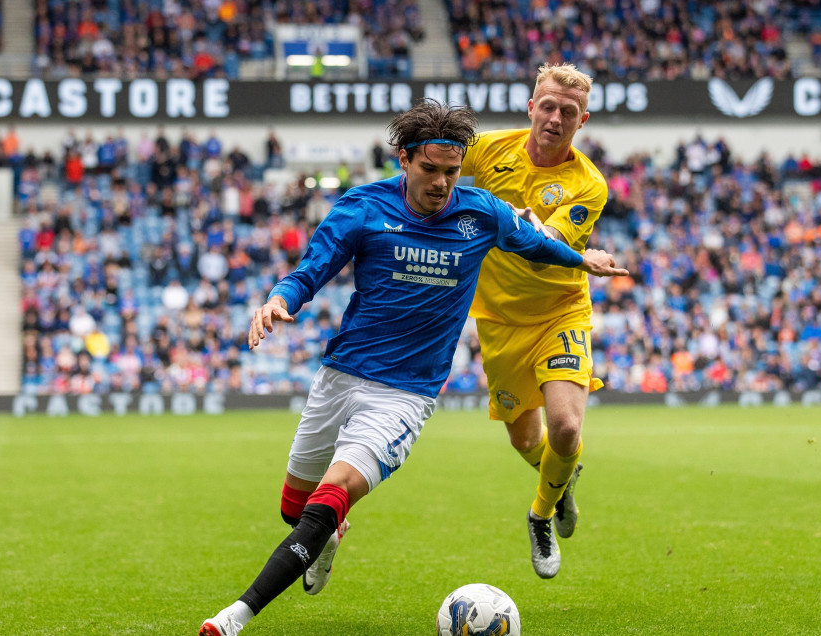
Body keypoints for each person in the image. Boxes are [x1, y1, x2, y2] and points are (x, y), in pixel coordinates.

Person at [197, 99, 627, 636]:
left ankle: (233, 618)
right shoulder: (361, 208)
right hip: (341, 375)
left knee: (331, 497)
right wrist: (278, 299)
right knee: (296, 510)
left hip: (405, 395)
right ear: (404, 159)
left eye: (452, 171)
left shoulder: (481, 213)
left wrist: (584, 260)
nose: (443, 183)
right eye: (431, 170)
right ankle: (325, 539)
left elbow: (537, 245)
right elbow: (310, 270)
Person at [459, 63, 606, 579]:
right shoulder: (490, 150)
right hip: (498, 320)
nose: (555, 117)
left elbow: (551, 249)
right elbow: (437, 168)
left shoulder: (588, 185)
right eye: (548, 106)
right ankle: (561, 482)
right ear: (531, 108)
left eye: (568, 111)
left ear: (581, 121)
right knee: (526, 441)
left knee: (565, 426)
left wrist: (528, 228)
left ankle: (541, 514)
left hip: (560, 310)